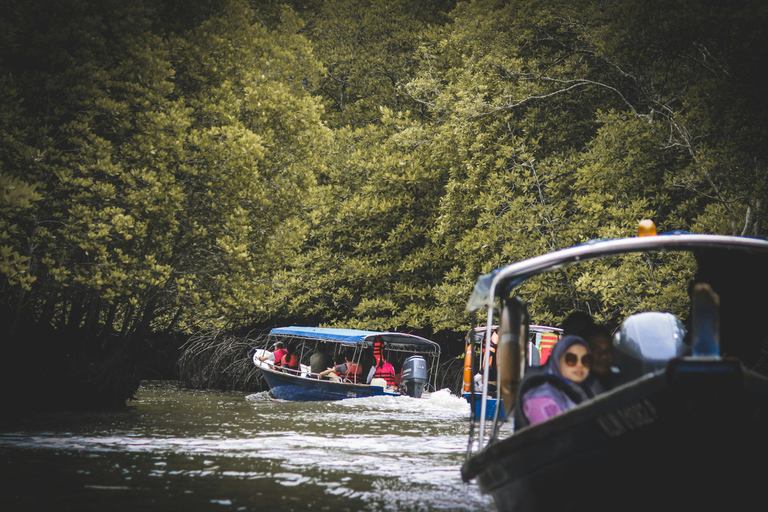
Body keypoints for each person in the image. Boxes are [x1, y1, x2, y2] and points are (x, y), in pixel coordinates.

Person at [514, 335, 594, 427]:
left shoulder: (585, 391)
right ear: (558, 359)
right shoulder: (541, 397)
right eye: (571, 359)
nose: (579, 365)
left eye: (585, 360)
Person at [582, 323, 617, 394]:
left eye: (608, 350)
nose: (604, 356)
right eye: (596, 349)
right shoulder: (576, 391)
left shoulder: (621, 380)